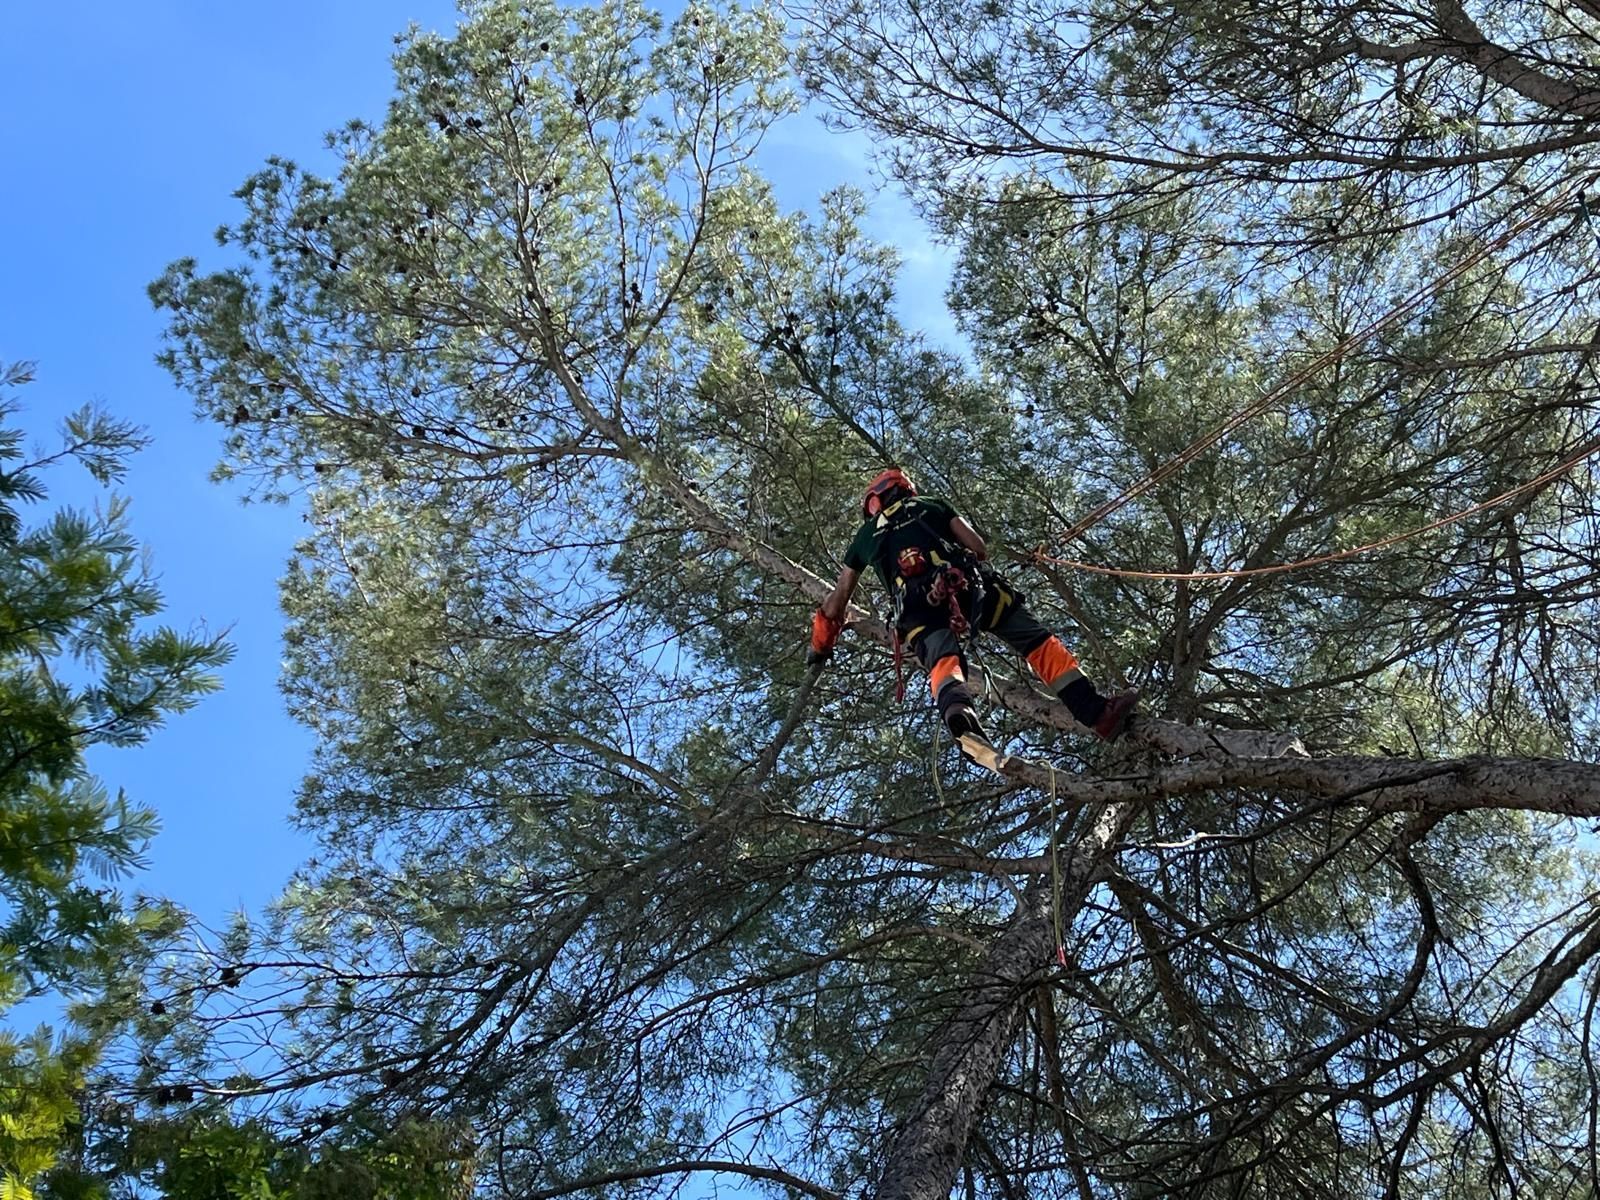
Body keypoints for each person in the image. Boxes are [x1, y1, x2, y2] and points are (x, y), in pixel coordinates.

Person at [808, 467, 1137, 753]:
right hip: (972, 588)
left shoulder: (866, 535)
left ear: (874, 502)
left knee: (941, 658)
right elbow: (979, 548)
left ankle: (957, 711)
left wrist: (820, 646)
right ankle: (1097, 714)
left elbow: (838, 601)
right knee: (1037, 642)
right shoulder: (932, 505)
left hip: (916, 606)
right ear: (905, 489)